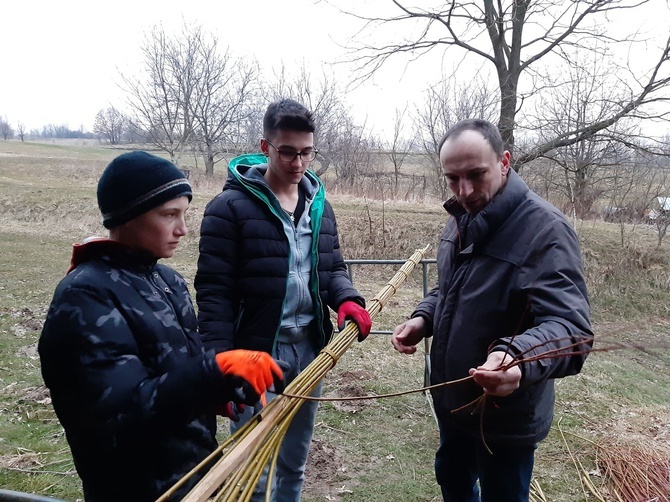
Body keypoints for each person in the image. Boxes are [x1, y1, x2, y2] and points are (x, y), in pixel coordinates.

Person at [38, 151, 285, 502]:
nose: (183, 229)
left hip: (193, 480)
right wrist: (213, 372)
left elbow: (175, 377)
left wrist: (223, 393)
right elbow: (117, 421)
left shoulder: (167, 281)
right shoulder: (85, 296)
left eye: (184, 214)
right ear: (129, 215)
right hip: (137, 490)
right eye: (169, 215)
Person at [391, 119, 593, 502]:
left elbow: (572, 328)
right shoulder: (460, 220)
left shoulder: (545, 230)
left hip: (503, 416)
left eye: (475, 175)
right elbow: (449, 289)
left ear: (504, 162)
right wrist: (423, 318)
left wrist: (515, 356)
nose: (464, 191)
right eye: (452, 179)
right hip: (454, 403)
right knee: (452, 479)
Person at [194, 98, 371, 501]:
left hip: (309, 351)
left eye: (306, 152)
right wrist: (221, 366)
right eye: (287, 151)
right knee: (252, 468)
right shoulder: (229, 208)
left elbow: (333, 268)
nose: (297, 162)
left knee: (295, 461)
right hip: (256, 355)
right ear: (266, 146)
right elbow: (214, 294)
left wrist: (346, 299)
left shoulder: (320, 208)